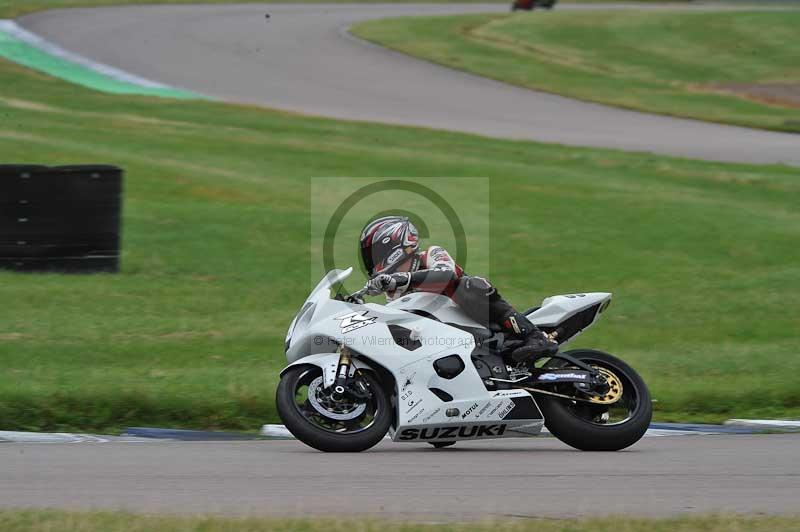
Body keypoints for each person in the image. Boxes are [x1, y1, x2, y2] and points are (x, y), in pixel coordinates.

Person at [360, 216, 558, 362]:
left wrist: (401, 278)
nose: (372, 260)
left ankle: (534, 336)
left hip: (481, 321)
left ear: (393, 245)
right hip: (448, 341)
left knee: (467, 285)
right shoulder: (394, 293)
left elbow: (447, 275)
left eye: (374, 253)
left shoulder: (430, 254)